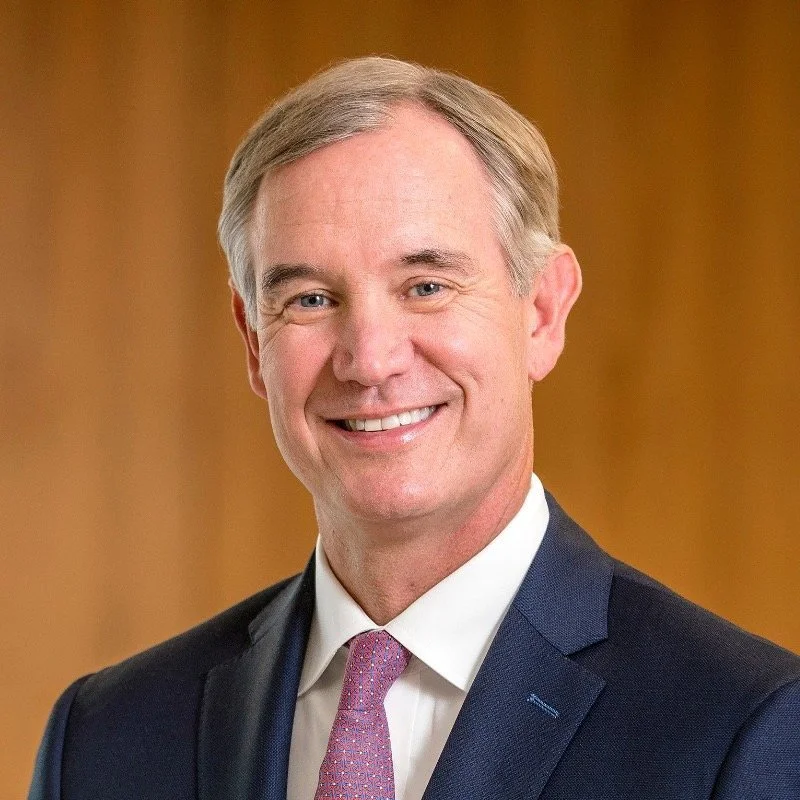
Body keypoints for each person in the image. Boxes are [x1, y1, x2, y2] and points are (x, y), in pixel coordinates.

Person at [30, 56, 799, 800]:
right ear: (252, 341)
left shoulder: (742, 730)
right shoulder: (104, 739)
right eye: (309, 300)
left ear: (541, 312)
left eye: (425, 286)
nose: (369, 359)